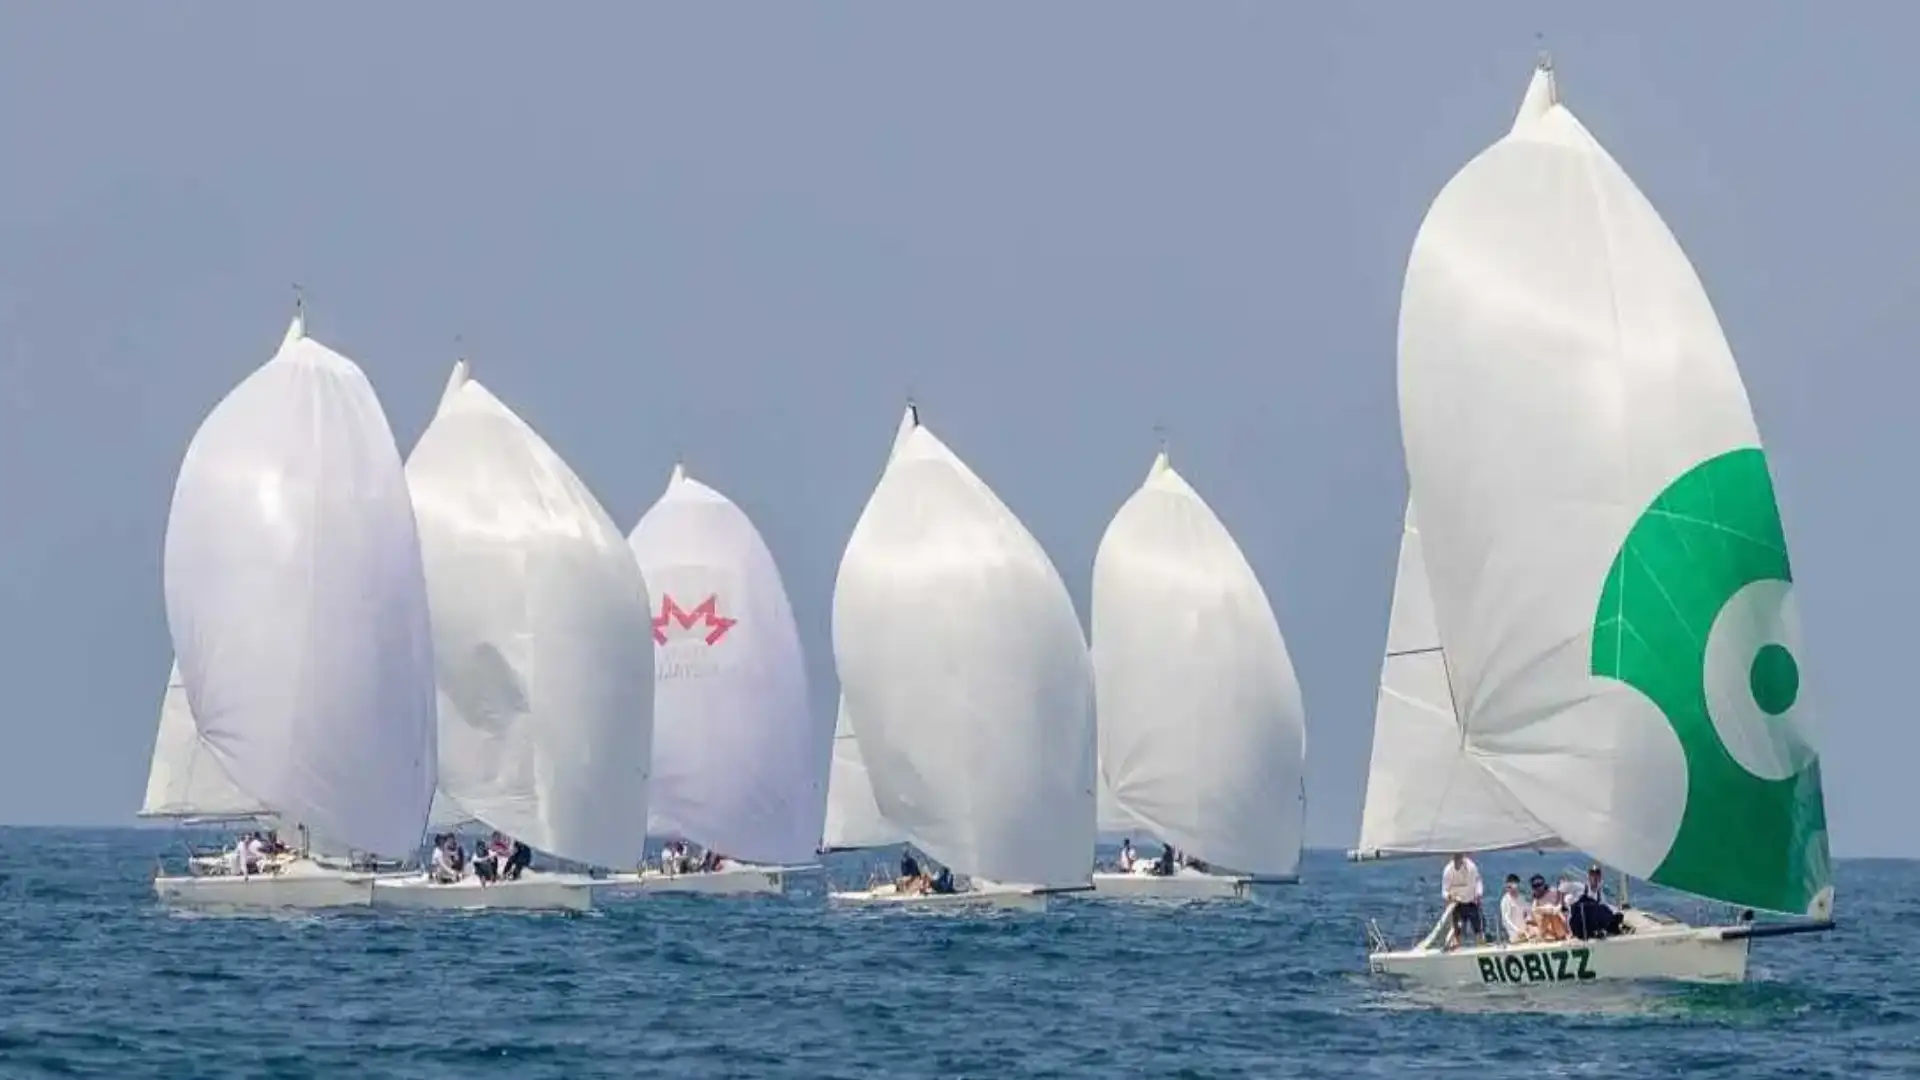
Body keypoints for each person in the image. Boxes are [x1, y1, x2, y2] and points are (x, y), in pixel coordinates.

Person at [1568, 864, 1626, 940]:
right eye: (1592, 875)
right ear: (1588, 877)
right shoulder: (1579, 888)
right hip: (1580, 925)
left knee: (1612, 913)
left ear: (1600, 877)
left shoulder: (1600, 894)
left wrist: (1617, 912)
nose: (1595, 877)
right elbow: (1564, 890)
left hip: (1593, 926)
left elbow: (1606, 907)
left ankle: (1609, 930)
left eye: (1597, 875)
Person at [1441, 853, 1485, 948]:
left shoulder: (1471, 867)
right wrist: (1449, 896)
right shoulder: (1448, 870)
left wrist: (1478, 893)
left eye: (1459, 858)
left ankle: (1481, 947)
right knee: (1457, 930)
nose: (1458, 861)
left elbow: (1478, 881)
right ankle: (1455, 947)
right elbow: (1444, 891)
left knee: (1478, 930)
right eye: (1456, 859)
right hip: (1457, 905)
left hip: (1471, 902)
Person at [1528, 874, 1571, 941]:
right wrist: (1544, 909)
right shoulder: (1536, 900)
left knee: (1552, 913)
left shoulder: (1554, 892)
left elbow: (1562, 906)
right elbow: (1534, 913)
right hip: (1547, 929)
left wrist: (1553, 908)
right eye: (1535, 886)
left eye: (1540, 885)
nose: (1538, 888)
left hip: (1561, 927)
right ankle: (1545, 935)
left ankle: (1562, 934)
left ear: (1543, 884)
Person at [1499, 874, 1533, 943]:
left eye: (1511, 886)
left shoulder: (1522, 898)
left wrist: (1528, 923)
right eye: (1508, 887)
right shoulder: (1505, 900)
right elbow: (1506, 920)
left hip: (1525, 933)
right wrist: (1517, 930)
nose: (1510, 889)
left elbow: (1529, 911)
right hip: (1514, 936)